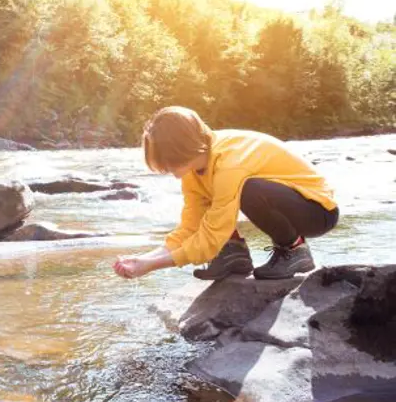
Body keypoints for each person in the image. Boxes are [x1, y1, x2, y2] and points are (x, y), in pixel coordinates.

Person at [113, 106, 339, 281]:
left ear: (182, 149)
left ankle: (294, 249)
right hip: (288, 202)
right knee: (220, 203)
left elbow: (211, 236)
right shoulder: (195, 168)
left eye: (169, 163)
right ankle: (233, 252)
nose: (168, 171)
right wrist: (144, 258)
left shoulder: (230, 164)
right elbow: (190, 227)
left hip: (318, 210)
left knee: (248, 190)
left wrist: (153, 266)